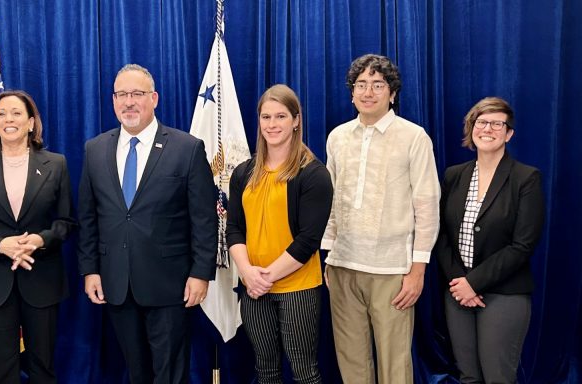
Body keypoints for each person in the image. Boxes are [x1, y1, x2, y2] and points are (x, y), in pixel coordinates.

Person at [78, 64, 217, 383]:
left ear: (154, 98)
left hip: (171, 285)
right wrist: (90, 270)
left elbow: (204, 219)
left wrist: (200, 273)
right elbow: (88, 217)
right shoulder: (95, 149)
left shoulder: (187, 148)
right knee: (135, 371)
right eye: (121, 94)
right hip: (116, 282)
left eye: (137, 94)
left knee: (170, 372)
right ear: (113, 101)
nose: (129, 101)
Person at [321, 54, 440, 383]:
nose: (368, 92)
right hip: (344, 265)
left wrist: (417, 270)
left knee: (394, 364)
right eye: (361, 85)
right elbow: (332, 200)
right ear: (352, 93)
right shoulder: (338, 137)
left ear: (392, 93)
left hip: (392, 270)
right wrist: (329, 255)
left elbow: (427, 206)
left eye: (377, 84)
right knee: (351, 360)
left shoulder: (414, 137)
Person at [0, 90, 76, 384]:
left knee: (43, 367)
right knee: (0, 369)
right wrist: (0, 246)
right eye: (2, 114)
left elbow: (66, 222)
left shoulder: (55, 164)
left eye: (17, 113)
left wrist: (39, 240)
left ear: (31, 123)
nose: (9, 119)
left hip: (41, 279)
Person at [226, 84, 333, 383]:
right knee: (266, 371)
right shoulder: (243, 173)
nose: (272, 125)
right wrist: (248, 273)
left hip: (296, 288)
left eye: (281, 117)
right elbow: (234, 228)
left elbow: (308, 241)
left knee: (304, 372)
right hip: (253, 288)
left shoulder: (313, 174)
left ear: (296, 120)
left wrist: (264, 277)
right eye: (266, 117)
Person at [436, 97, 544, 384]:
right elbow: (442, 234)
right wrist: (460, 282)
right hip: (457, 291)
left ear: (509, 133)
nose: (488, 129)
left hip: (504, 293)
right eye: (482, 122)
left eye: (498, 124)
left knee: (498, 377)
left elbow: (523, 245)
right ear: (472, 129)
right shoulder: (454, 175)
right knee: (468, 376)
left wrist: (475, 282)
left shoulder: (526, 178)